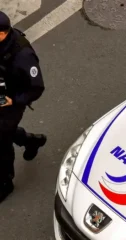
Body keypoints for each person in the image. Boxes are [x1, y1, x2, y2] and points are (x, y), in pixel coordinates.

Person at [0, 11, 46, 202]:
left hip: (11, 102)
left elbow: (36, 88)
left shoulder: (23, 55)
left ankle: (5, 182)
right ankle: (30, 140)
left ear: (2, 34)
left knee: (1, 142)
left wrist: (15, 100)